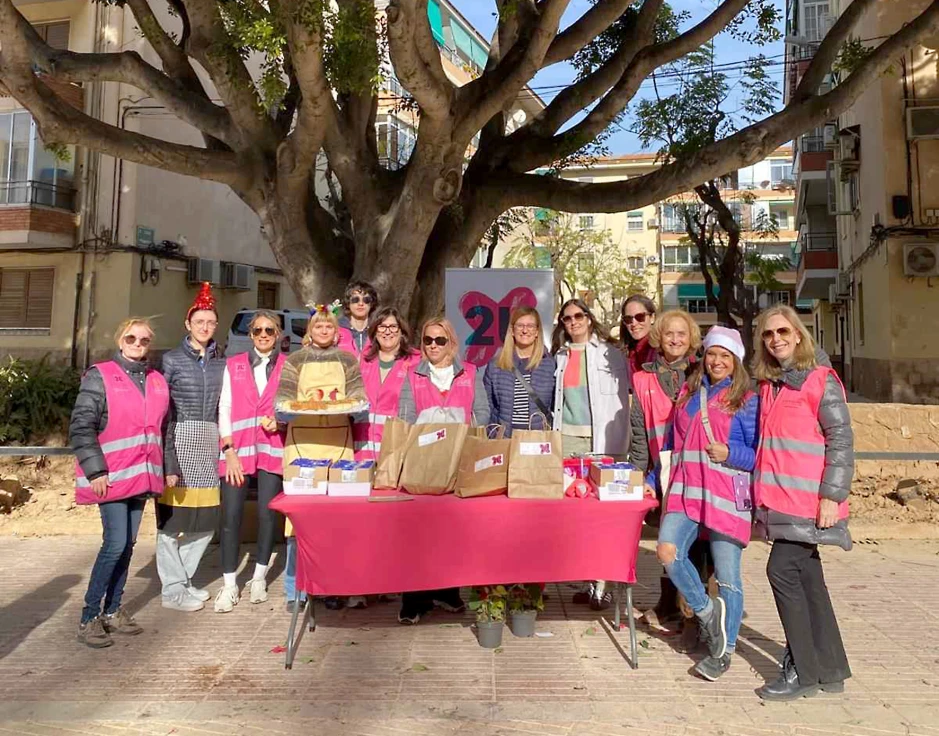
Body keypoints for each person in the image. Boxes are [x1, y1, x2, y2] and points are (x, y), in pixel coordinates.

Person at [752, 305, 853, 701]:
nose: (775, 338)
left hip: (809, 503)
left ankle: (803, 671)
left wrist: (832, 495)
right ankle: (830, 668)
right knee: (809, 581)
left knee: (781, 572)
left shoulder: (820, 380)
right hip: (780, 502)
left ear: (798, 335)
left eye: (782, 331)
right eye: (767, 334)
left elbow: (841, 441)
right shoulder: (771, 384)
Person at [654, 326, 758, 682]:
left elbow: (758, 455)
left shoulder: (746, 398)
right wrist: (654, 482)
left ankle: (723, 652)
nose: (717, 361)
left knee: (728, 577)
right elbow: (672, 441)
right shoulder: (688, 391)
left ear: (736, 361)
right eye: (713, 353)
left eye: (725, 356)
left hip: (726, 494)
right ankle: (706, 611)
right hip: (686, 490)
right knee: (668, 551)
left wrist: (731, 452)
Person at [71, 318, 169, 648]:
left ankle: (113, 610)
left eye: (144, 340)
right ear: (120, 339)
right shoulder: (99, 376)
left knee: (127, 546)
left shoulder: (156, 380)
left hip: (141, 476)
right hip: (110, 478)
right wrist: (95, 471)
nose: (137, 344)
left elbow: (160, 428)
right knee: (114, 544)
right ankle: (89, 616)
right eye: (131, 338)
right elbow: (81, 427)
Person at [397, 317, 490, 624]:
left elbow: (482, 415)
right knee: (417, 534)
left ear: (452, 343)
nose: (433, 346)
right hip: (423, 466)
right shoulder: (413, 375)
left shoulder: (471, 373)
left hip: (458, 463)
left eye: (440, 340)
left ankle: (448, 591)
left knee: (453, 531)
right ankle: (414, 599)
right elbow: (405, 419)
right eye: (428, 340)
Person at [276, 305, 367, 610]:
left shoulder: (347, 359)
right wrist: (296, 406)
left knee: (335, 519)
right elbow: (283, 400)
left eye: (329, 327)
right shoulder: (295, 360)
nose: (324, 332)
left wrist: (351, 405)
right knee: (298, 520)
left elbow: (358, 398)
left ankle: (331, 587)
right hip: (302, 443)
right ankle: (295, 590)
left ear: (336, 331)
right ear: (310, 330)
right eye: (319, 327)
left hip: (338, 443)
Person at [551, 298, 629, 610]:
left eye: (579, 316)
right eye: (567, 318)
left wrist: (618, 447)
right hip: (567, 440)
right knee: (576, 516)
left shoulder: (610, 353)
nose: (574, 322)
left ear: (589, 318)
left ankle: (602, 584)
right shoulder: (558, 355)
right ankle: (587, 579)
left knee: (602, 516)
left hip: (600, 442)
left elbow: (621, 402)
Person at [630, 309, 703, 639]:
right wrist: (638, 473)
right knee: (666, 539)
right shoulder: (642, 379)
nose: (675, 339)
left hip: (699, 470)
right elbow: (638, 430)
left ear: (691, 340)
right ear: (659, 336)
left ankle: (693, 611)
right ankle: (668, 606)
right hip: (661, 472)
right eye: (670, 333)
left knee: (697, 541)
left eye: (682, 335)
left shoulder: (703, 374)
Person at [157, 283, 226, 612]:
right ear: (188, 324)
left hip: (209, 446)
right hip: (179, 441)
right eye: (199, 321)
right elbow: (163, 414)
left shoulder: (221, 363)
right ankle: (172, 590)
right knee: (172, 524)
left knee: (205, 521)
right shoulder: (170, 361)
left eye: (210, 322)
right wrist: (168, 463)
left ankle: (181, 581)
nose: (205, 327)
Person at [214, 310, 288, 613]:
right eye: (257, 330)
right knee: (230, 517)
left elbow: (293, 404)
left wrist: (281, 422)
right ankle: (230, 584)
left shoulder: (288, 366)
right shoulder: (234, 365)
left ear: (279, 334)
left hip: (272, 449)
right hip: (237, 451)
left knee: (268, 516)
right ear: (250, 335)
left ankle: (259, 576)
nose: (263, 335)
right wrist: (228, 449)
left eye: (269, 330)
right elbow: (225, 407)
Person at [353, 306, 420, 462]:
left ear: (401, 331)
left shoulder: (416, 361)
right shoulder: (362, 360)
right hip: (362, 448)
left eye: (392, 326)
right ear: (375, 332)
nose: (387, 331)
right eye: (382, 326)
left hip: (396, 448)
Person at [483, 306, 556, 436]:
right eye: (520, 325)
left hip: (538, 440)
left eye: (530, 326)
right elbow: (489, 406)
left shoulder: (549, 364)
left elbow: (556, 404)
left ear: (537, 331)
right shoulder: (496, 365)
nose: (525, 330)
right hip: (506, 440)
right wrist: (494, 435)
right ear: (512, 330)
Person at [338, 280, 378, 357]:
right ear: (348, 303)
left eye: (366, 300)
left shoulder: (378, 330)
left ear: (372, 303)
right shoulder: (336, 329)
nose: (361, 304)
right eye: (355, 300)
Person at [620, 294, 658, 377]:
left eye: (640, 317)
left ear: (652, 318)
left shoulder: (662, 350)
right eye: (628, 319)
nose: (634, 323)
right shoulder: (626, 354)